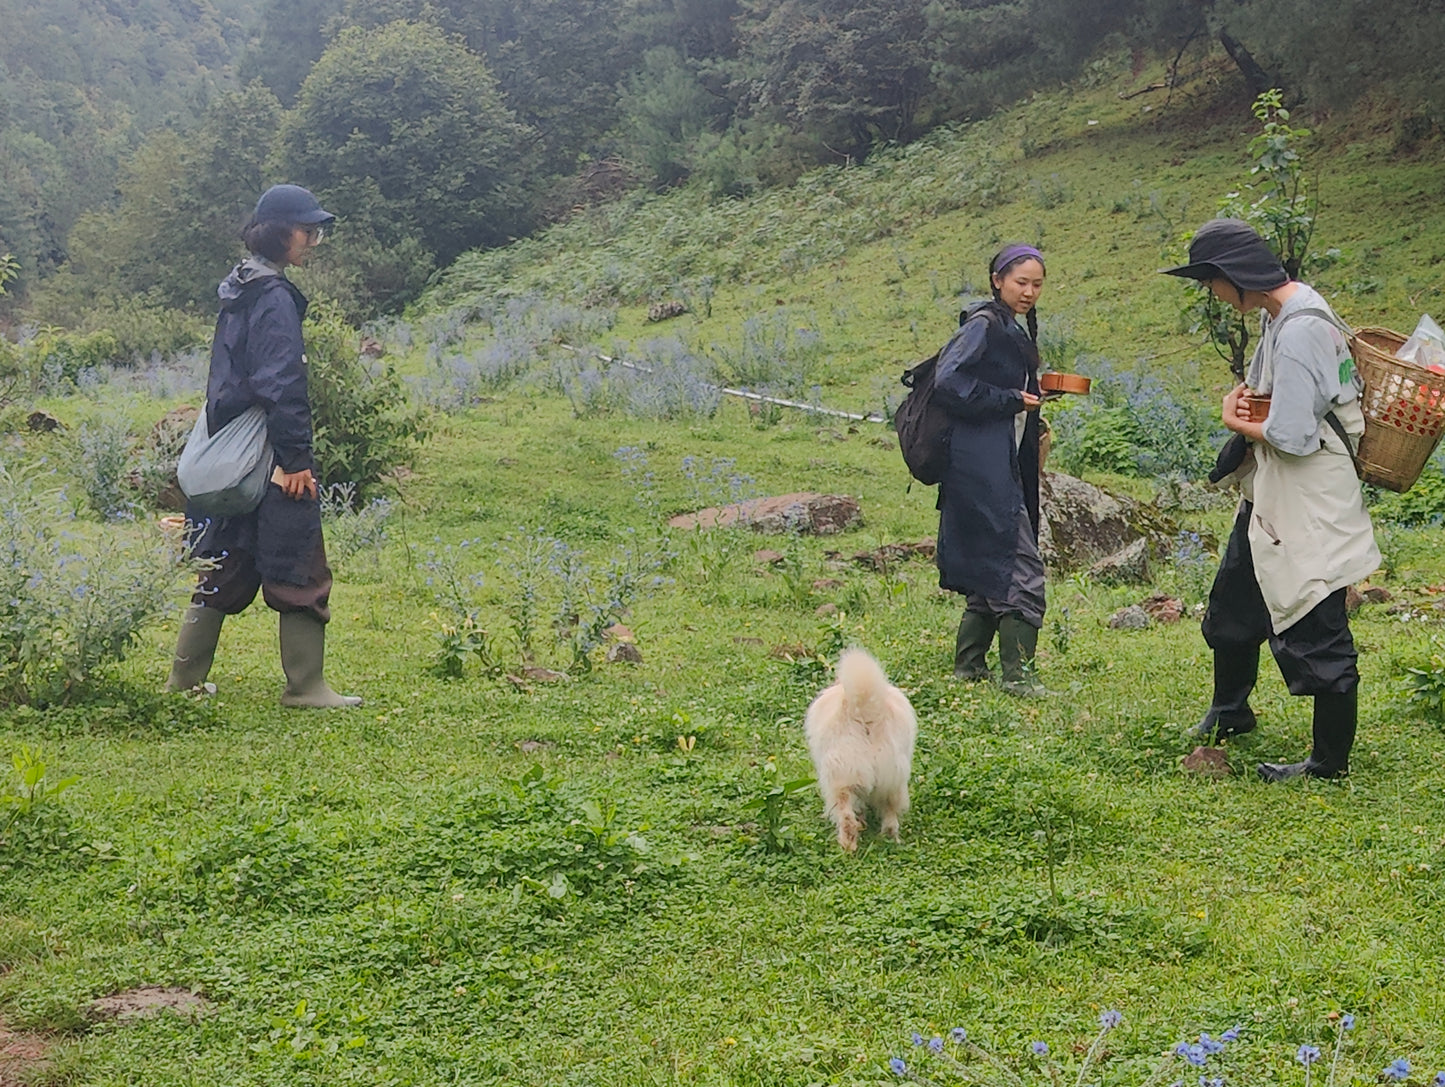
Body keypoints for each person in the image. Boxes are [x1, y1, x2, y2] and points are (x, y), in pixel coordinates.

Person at [1162, 218, 1379, 780]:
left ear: (1235, 277)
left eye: (1211, 281)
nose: (1211, 292)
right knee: (1236, 594)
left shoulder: (1301, 327)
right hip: (1273, 491)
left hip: (1307, 496)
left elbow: (1294, 435)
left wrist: (1232, 418)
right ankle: (1231, 710)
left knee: (1316, 615)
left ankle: (1327, 764)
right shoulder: (1282, 311)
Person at [165, 184, 361, 708]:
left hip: (234, 455)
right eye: (307, 230)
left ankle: (184, 683)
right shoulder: (272, 296)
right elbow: (281, 382)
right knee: (299, 561)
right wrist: (294, 458)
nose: (313, 241)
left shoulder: (240, 286)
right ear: (279, 232)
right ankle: (306, 686)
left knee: (221, 560)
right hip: (270, 454)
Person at [933, 244, 1048, 695]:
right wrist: (1009, 399)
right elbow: (949, 382)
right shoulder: (983, 325)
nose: (1030, 291)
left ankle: (970, 667)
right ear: (998, 280)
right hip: (979, 466)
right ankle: (1018, 677)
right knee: (1021, 562)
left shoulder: (1006, 327)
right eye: (1021, 282)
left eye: (1037, 284)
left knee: (988, 556)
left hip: (988, 461)